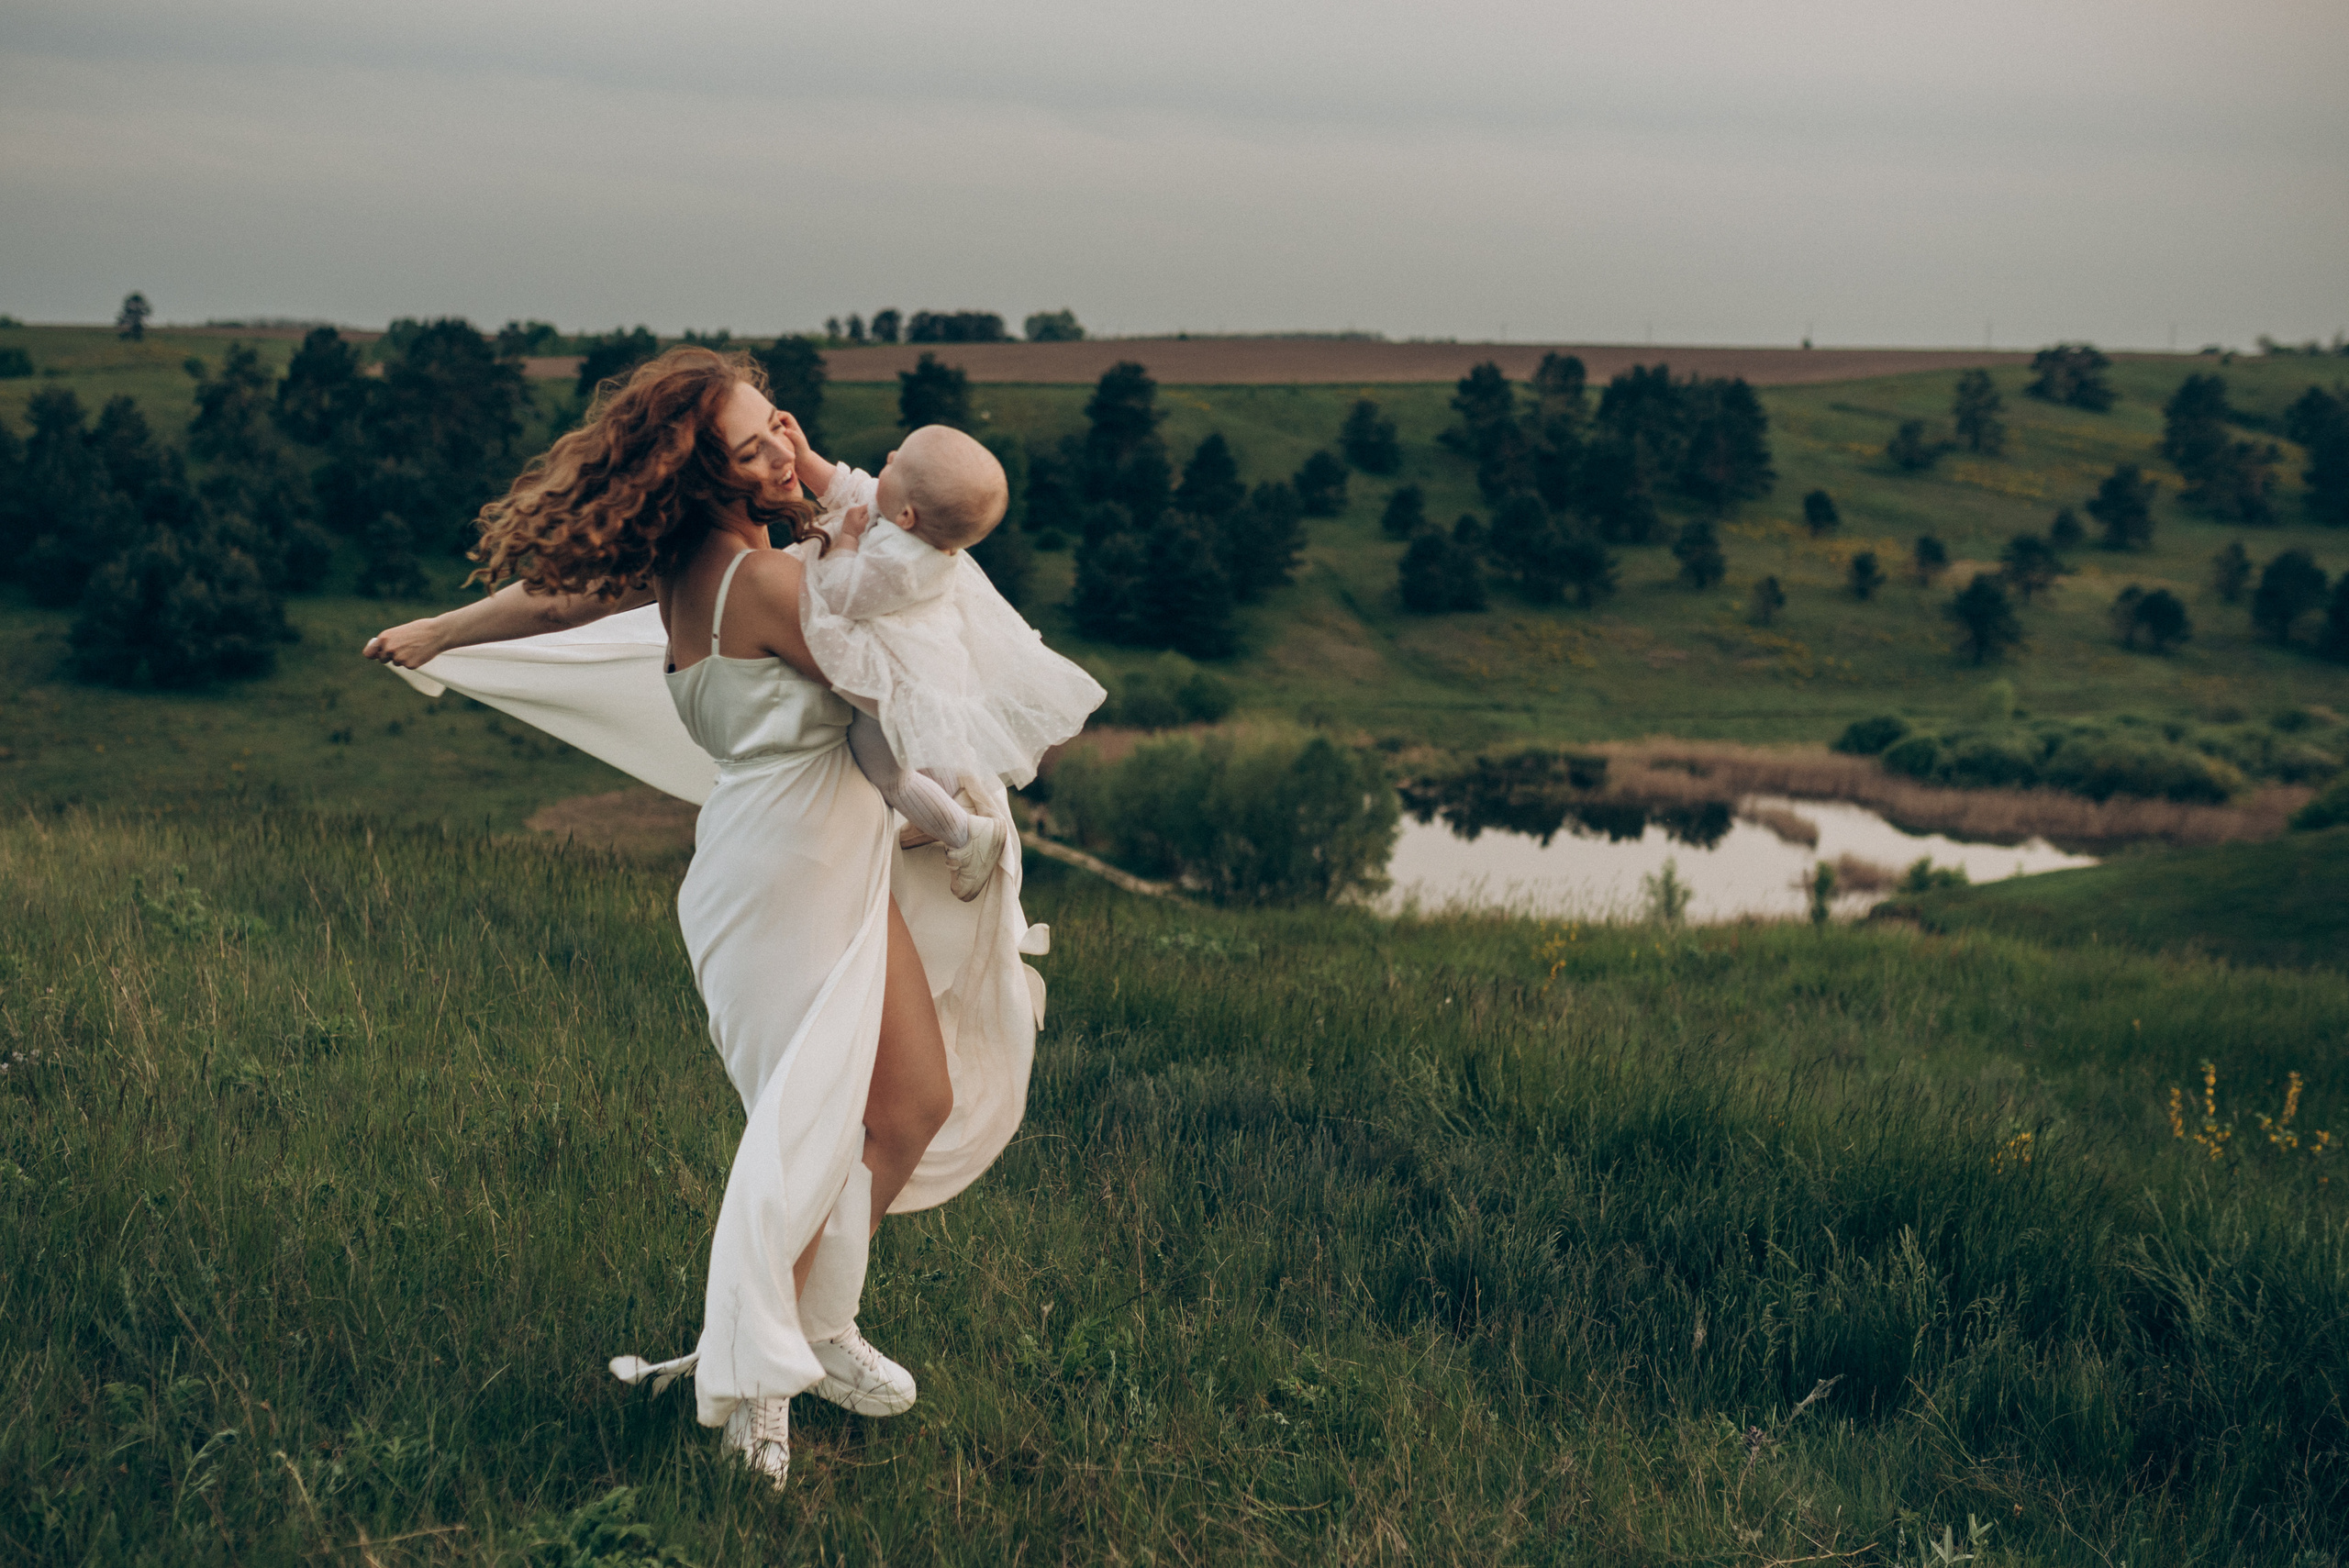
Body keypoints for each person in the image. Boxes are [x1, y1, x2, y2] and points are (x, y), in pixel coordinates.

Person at [363, 347, 1064, 1487]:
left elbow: (562, 594)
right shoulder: (782, 588)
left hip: (824, 855)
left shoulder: (697, 560)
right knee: (806, 1133)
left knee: (912, 1101)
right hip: (782, 876)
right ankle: (755, 1386)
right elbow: (923, 642)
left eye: (780, 420)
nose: (784, 447)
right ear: (708, 481)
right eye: (755, 446)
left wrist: (445, 630)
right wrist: (871, 515)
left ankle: (815, 1321)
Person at [795, 422, 1104, 902]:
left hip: (895, 683)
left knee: (888, 774)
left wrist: (845, 542)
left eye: (897, 464)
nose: (890, 456)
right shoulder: (912, 523)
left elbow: (842, 595)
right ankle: (938, 809)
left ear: (907, 515)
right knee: (925, 746)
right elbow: (857, 488)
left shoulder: (904, 564)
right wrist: (803, 457)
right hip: (925, 663)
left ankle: (965, 834)